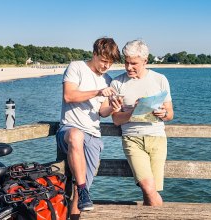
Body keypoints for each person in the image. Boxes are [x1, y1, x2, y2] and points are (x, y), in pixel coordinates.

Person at [56, 37, 121, 217]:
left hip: (93, 135)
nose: (106, 66)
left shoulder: (108, 79)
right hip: (69, 130)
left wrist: (113, 108)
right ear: (94, 54)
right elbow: (69, 96)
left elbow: (102, 111)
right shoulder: (76, 67)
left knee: (79, 194)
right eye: (103, 61)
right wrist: (98, 92)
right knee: (77, 136)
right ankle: (83, 189)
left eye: (110, 63)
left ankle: (81, 194)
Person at [110, 39, 174, 206]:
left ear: (145, 61)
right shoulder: (117, 83)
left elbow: (170, 114)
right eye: (126, 62)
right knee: (147, 186)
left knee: (150, 190)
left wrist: (163, 113)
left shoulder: (160, 80)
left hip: (158, 139)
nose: (128, 67)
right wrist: (134, 111)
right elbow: (116, 119)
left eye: (134, 63)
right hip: (132, 139)